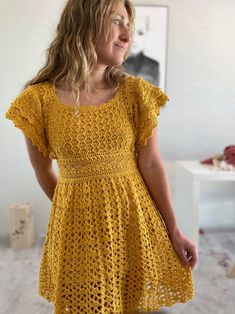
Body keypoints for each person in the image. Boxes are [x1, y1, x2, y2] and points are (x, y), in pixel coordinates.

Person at [5, 0, 197, 313]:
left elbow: (150, 164)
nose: (126, 34)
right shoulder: (36, 101)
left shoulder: (136, 93)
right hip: (79, 235)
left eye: (129, 25)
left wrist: (174, 229)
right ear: (83, 24)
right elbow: (44, 172)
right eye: (117, 21)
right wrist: (79, 213)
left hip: (137, 225)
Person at [123, 14, 160, 85]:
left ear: (146, 34)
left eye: (140, 33)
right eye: (130, 32)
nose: (134, 38)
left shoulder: (154, 66)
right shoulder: (114, 64)